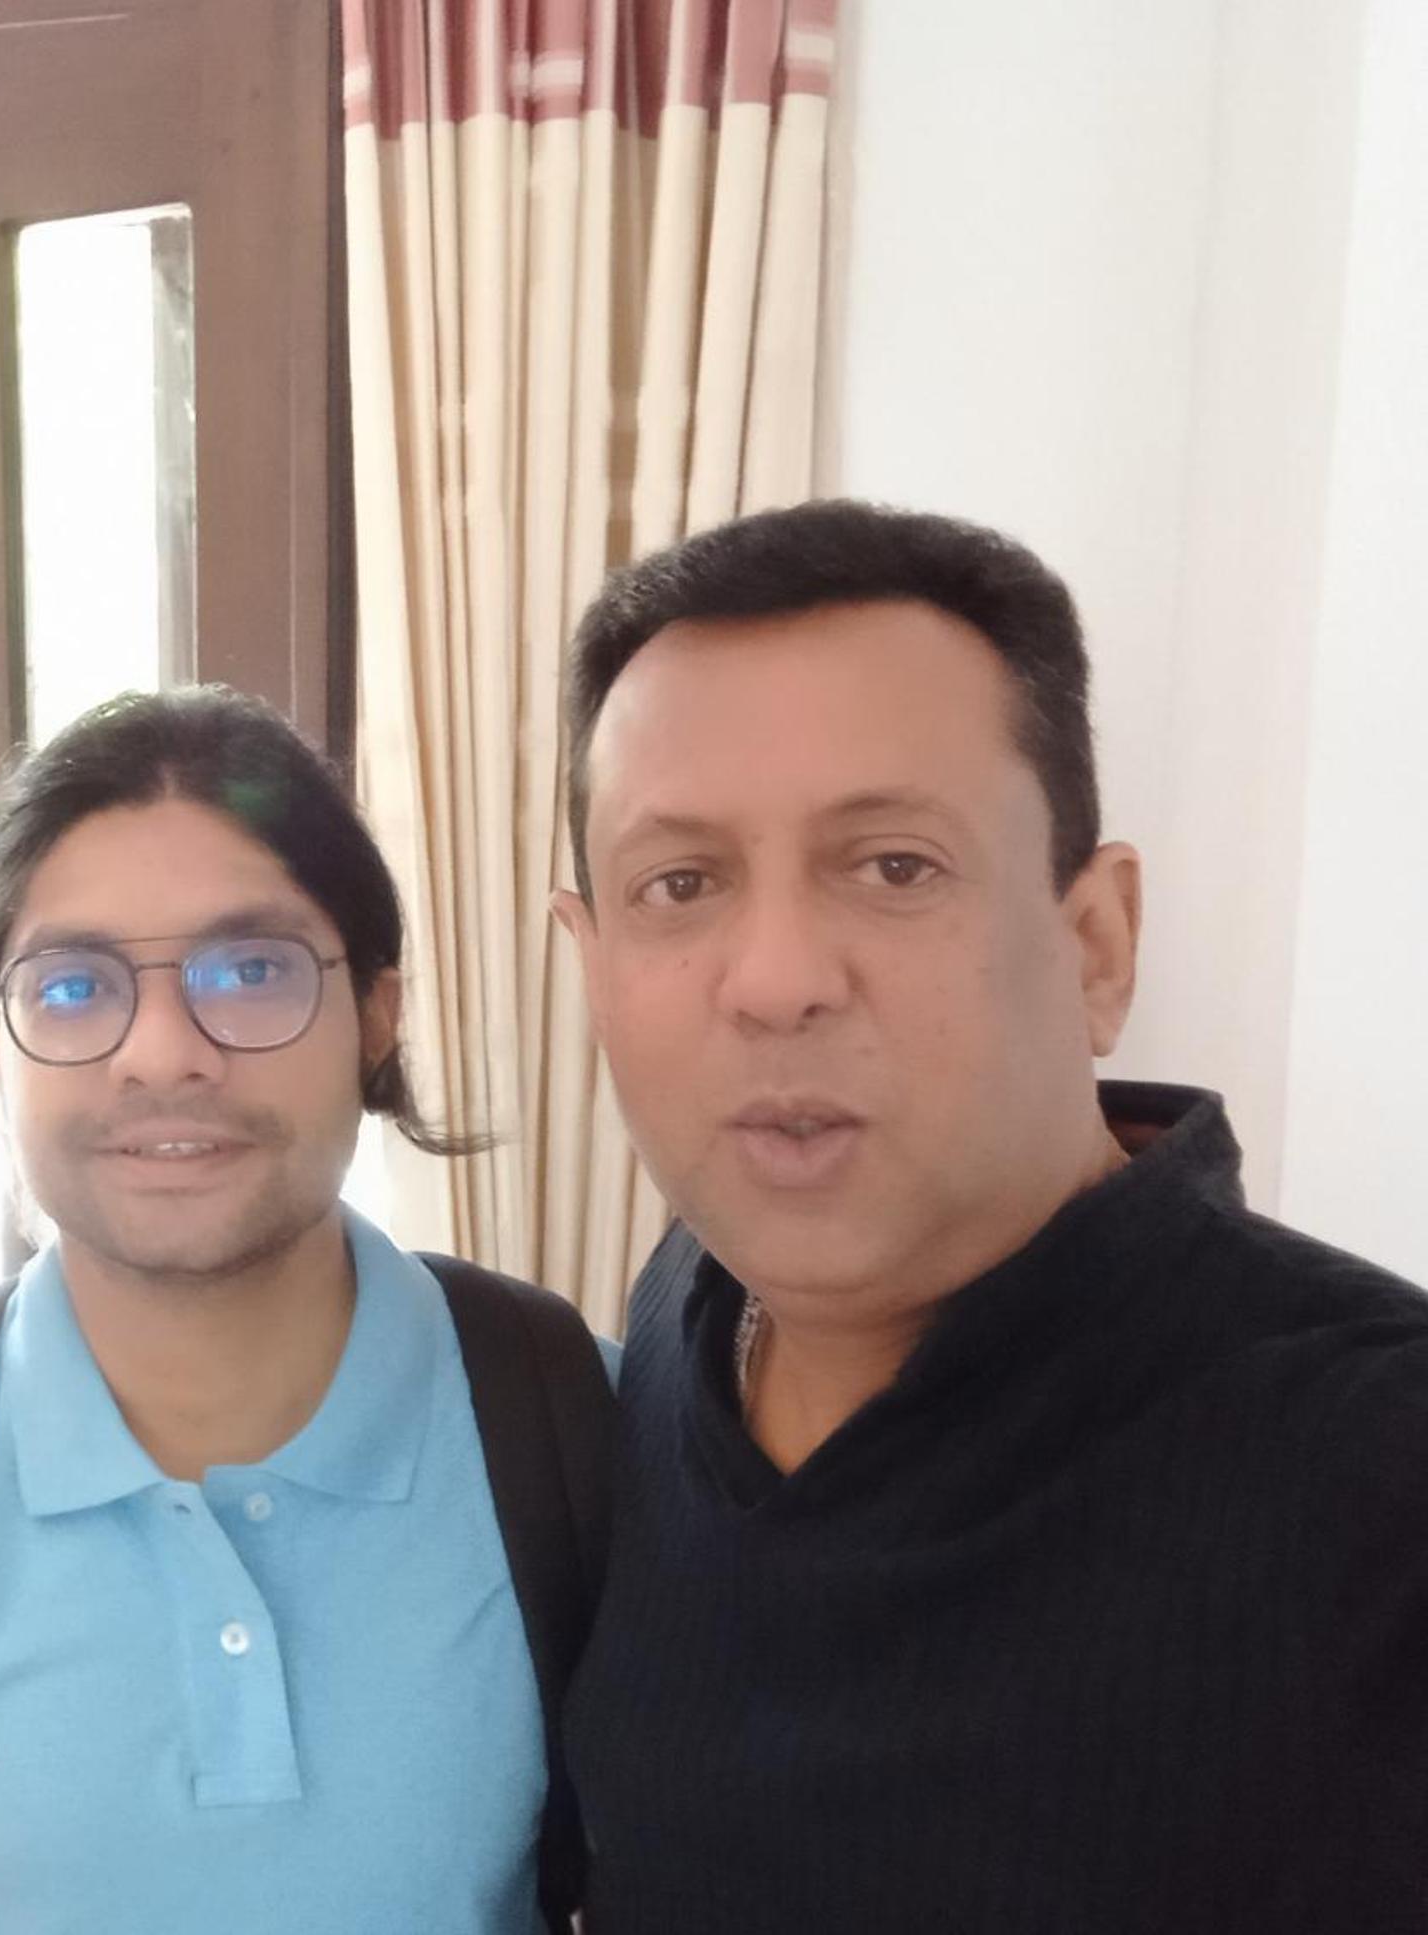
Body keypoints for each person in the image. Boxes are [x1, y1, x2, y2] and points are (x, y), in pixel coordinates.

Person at [550, 500, 1428, 1932]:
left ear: (1096, 944)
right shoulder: (684, 1301)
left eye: (894, 865)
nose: (775, 980)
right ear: (591, 966)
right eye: (681, 883)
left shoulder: (1379, 1480)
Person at [0, 687, 615, 1935]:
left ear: (378, 1017)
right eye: (73, 987)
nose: (163, 1053)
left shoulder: (576, 1423)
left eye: (254, 970)